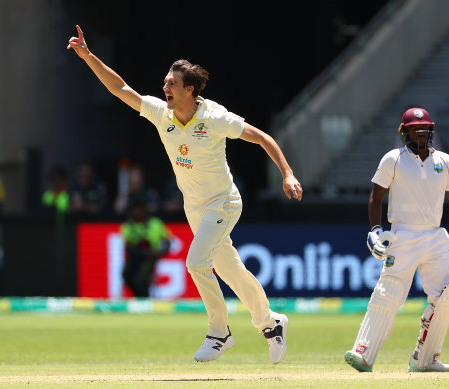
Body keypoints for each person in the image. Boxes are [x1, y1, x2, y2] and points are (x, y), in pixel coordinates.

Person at [67, 25, 302, 364]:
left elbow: (264, 137)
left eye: (172, 84)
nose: (165, 87)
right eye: (165, 83)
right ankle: (271, 323)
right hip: (195, 207)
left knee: (195, 262)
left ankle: (219, 331)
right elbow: (120, 88)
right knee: (232, 271)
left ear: (189, 90)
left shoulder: (216, 117)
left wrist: (288, 173)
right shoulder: (162, 115)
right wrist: (88, 56)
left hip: (224, 202)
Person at [344, 108, 449, 372]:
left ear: (431, 131)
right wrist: (375, 229)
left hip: (434, 236)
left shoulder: (445, 161)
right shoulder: (392, 159)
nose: (420, 134)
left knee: (445, 298)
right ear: (404, 132)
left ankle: (425, 358)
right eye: (414, 130)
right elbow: (376, 196)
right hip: (402, 235)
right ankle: (363, 353)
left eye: (424, 129)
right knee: (389, 293)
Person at [121, 199, 171, 297]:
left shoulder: (156, 224)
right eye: (133, 210)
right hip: (136, 257)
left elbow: (168, 243)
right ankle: (139, 296)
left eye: (139, 209)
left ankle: (144, 298)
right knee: (126, 274)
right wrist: (143, 253)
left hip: (151, 258)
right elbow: (128, 247)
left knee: (141, 276)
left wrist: (158, 253)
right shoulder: (127, 226)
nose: (136, 212)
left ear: (145, 210)